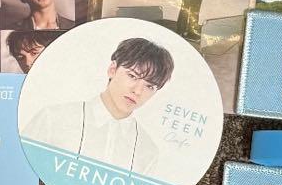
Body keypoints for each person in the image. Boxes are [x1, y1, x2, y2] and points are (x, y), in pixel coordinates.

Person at [22, 37, 174, 175]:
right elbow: (19, 169)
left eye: (150, 86)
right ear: (112, 70)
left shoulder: (147, 151)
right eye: (132, 76)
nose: (138, 91)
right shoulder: (54, 119)